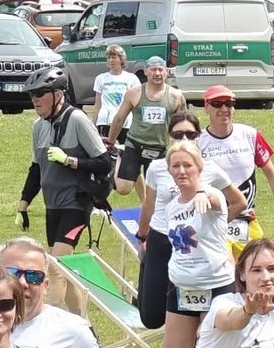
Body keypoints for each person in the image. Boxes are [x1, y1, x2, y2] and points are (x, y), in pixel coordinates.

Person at [135, 111, 248, 335]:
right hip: (161, 238)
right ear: (169, 136)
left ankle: (193, 342)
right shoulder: (157, 167)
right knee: (151, 316)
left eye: (191, 134)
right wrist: (142, 235)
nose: (185, 139)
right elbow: (149, 204)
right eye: (178, 134)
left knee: (196, 307)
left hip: (197, 245)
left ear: (199, 136)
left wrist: (214, 226)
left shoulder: (210, 168)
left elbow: (239, 202)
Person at [154, 140, 239, 348]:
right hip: (182, 286)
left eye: (187, 165)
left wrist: (202, 192)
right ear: (169, 170)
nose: (181, 171)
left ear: (199, 168)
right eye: (176, 166)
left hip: (215, 284)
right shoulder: (171, 207)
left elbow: (212, 200)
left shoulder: (213, 196)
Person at [18, 68, 114, 256]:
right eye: (31, 95)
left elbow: (104, 163)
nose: (34, 99)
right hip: (52, 205)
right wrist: (23, 204)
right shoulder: (38, 126)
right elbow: (36, 169)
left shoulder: (77, 119)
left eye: (39, 93)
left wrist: (69, 160)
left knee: (58, 262)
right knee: (59, 264)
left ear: (58, 94)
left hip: (76, 203)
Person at [197, 87, 274, 244]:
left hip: (247, 220)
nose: (224, 109)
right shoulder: (197, 141)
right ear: (206, 107)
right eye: (217, 104)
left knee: (258, 258)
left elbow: (272, 175)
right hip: (213, 221)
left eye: (229, 104)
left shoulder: (250, 135)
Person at [107, 56, 185, 194]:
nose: (157, 73)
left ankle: (148, 206)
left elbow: (182, 125)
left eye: (160, 70)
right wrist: (110, 143)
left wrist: (180, 148)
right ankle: (120, 155)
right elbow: (119, 119)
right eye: (153, 70)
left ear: (166, 72)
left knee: (158, 190)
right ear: (146, 72)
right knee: (123, 189)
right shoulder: (134, 93)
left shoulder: (176, 96)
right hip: (134, 145)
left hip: (159, 148)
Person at [89, 43, 135, 152]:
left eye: (114, 57)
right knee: (105, 151)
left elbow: (135, 103)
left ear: (121, 59)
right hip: (105, 120)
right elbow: (98, 104)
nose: (111, 60)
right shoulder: (100, 78)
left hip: (125, 121)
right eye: (109, 57)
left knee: (126, 151)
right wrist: (94, 124)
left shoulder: (131, 78)